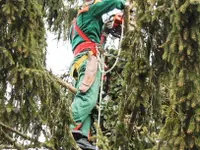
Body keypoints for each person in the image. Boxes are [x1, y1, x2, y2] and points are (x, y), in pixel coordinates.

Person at [69, 0, 125, 149]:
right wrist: (124, 4)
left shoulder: (75, 25)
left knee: (85, 99)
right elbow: (112, 1)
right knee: (88, 98)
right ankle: (67, 127)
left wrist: (107, 29)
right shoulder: (90, 11)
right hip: (89, 59)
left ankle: (80, 136)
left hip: (79, 62)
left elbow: (93, 37)